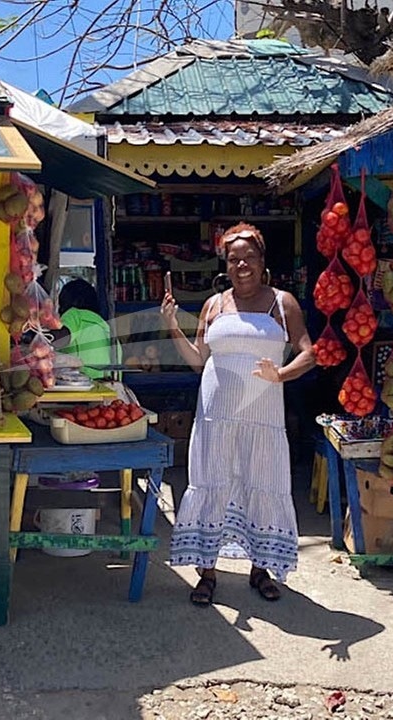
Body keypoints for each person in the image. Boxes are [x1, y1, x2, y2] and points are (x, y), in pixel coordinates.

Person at [161, 222, 315, 605]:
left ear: (263, 261)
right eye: (233, 259)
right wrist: (171, 327)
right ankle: (207, 573)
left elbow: (310, 353)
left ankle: (261, 570)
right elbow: (200, 361)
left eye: (249, 257)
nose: (241, 264)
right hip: (216, 416)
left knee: (260, 482)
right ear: (225, 265)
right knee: (211, 482)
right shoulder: (215, 305)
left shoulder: (282, 303)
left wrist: (279, 373)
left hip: (262, 420)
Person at [52, 278, 114, 379]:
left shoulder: (76, 314)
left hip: (85, 385)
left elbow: (60, 338)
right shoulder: (104, 325)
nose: (60, 309)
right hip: (110, 387)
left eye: (61, 303)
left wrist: (39, 336)